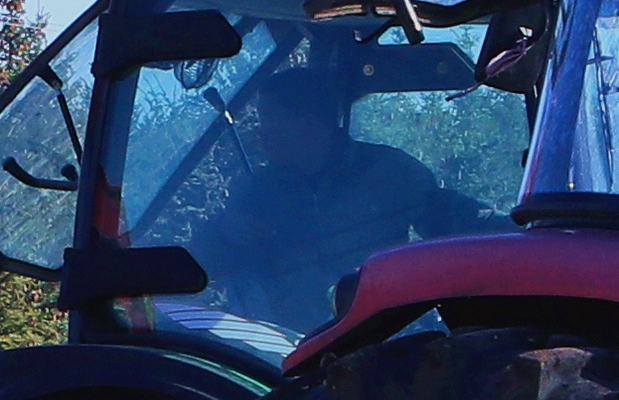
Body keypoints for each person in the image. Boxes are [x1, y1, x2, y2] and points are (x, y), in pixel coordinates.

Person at [168, 60, 475, 335]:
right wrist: (225, 233)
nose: (261, 133)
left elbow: (458, 225)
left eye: (270, 119)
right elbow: (203, 266)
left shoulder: (389, 172)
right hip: (284, 352)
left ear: (307, 121)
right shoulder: (257, 190)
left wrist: (507, 239)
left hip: (380, 340)